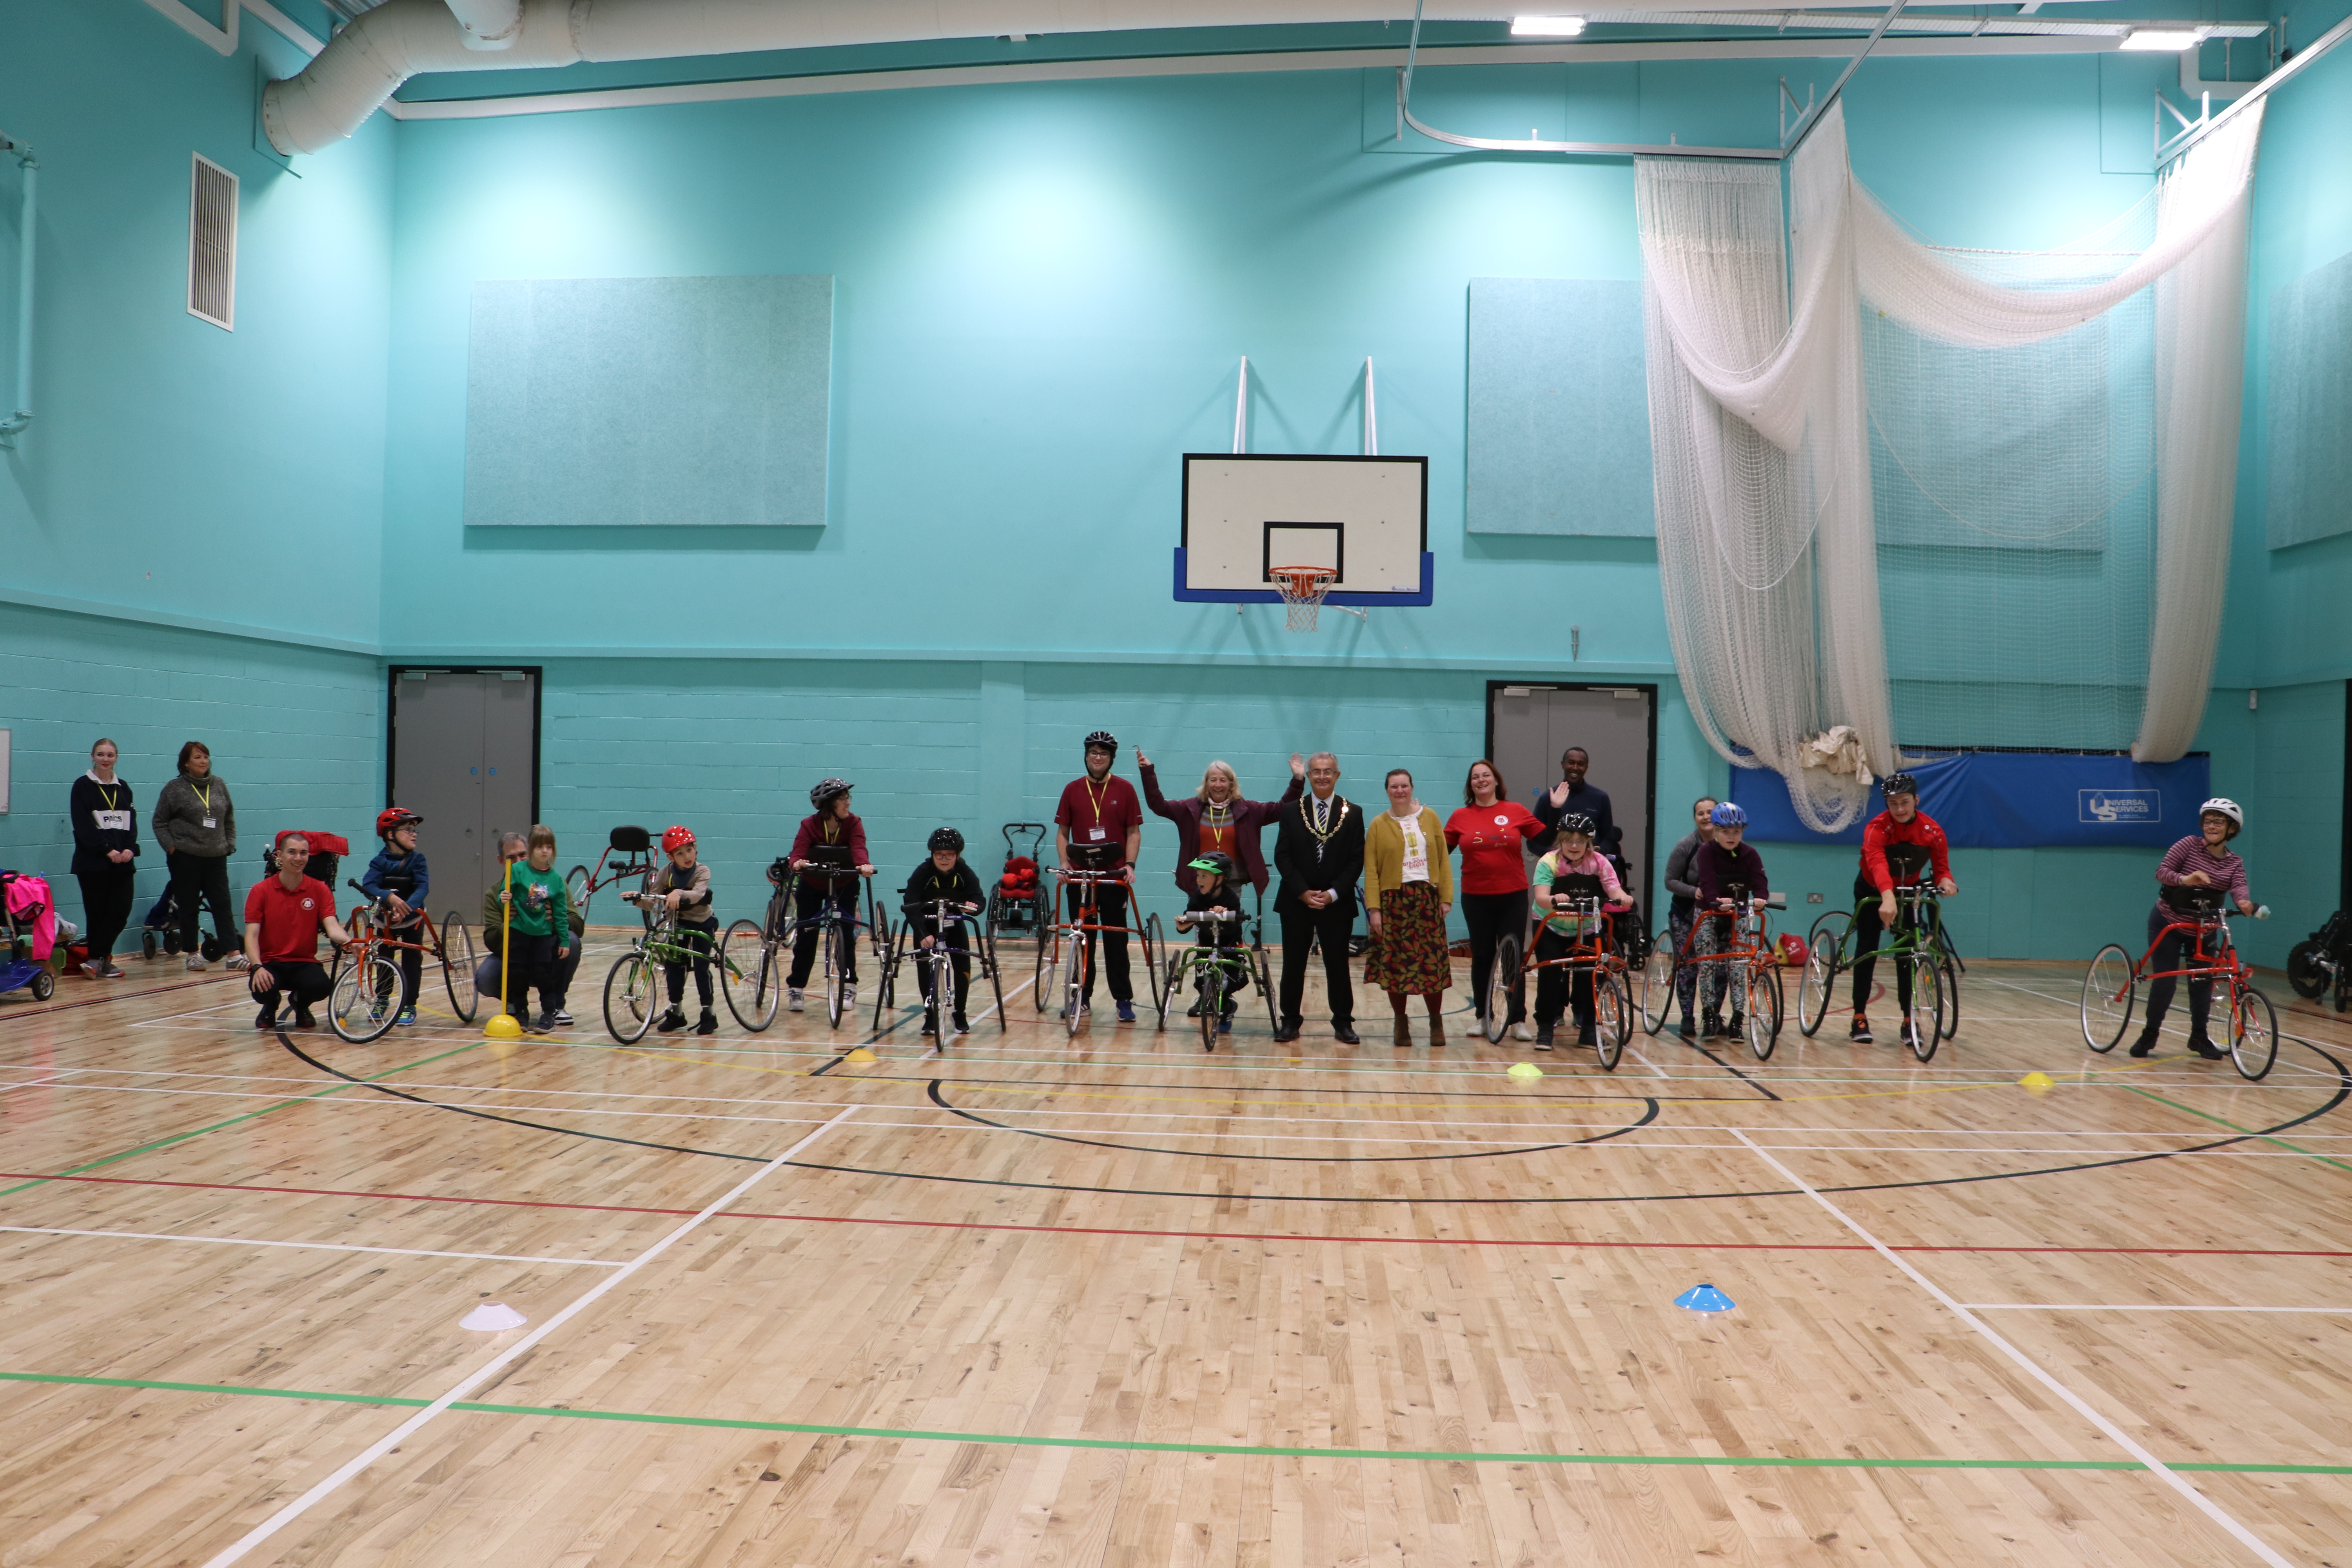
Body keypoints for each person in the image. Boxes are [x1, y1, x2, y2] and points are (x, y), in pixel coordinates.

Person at [2129, 798, 2256, 1060]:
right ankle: (2150, 1034)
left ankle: (2199, 1037)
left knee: (2202, 983)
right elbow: (2162, 871)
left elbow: (2239, 886)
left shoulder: (2234, 863)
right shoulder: (2188, 845)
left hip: (2203, 929)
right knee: (2165, 982)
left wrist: (2244, 902)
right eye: (2208, 821)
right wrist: (2185, 879)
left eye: (2218, 822)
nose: (2211, 826)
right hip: (2169, 921)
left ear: (2232, 829)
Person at [1848, 772, 1957, 1047]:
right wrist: (1887, 897)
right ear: (1886, 804)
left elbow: (1941, 868)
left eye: (1905, 802)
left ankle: (1909, 1019)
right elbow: (1877, 863)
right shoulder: (1876, 828)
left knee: (1907, 954)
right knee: (1867, 948)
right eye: (1893, 803)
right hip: (1873, 889)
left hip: (1908, 891)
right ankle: (1859, 1015)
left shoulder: (1933, 831)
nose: (1899, 809)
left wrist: (1946, 881)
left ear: (1916, 800)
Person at [1446, 759, 1545, 1042]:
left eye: (1486, 775)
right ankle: (1483, 1017)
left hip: (1513, 896)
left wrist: (1555, 808)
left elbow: (1544, 839)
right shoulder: (1460, 816)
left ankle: (1518, 1020)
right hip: (1476, 898)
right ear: (1471, 785)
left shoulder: (1515, 811)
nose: (1481, 780)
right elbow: (1440, 852)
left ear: (1496, 780)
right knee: (1482, 957)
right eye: (1475, 777)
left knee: (1513, 957)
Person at [1272, 751, 1364, 1044]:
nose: (1322, 776)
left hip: (1336, 903)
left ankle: (1343, 1023)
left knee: (1338, 966)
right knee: (1293, 965)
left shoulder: (1354, 812)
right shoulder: (1290, 810)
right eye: (1316, 771)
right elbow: (1282, 856)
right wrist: (1302, 891)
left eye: (1328, 771)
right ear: (1309, 776)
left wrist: (1334, 893)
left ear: (1337, 776)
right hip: (1296, 901)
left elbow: (1356, 860)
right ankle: (1290, 1021)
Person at [1054, 731, 1145, 1022]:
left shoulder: (1125, 789)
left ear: (1111, 759)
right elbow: (1063, 832)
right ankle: (1081, 997)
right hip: (1080, 877)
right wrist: (1064, 863)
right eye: (1093, 752)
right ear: (1086, 756)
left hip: (1113, 877)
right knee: (1082, 939)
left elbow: (1133, 832)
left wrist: (1130, 865)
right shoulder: (1072, 789)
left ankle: (1123, 1000)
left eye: (1103, 754)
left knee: (1116, 940)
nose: (1098, 757)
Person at [1364, 768, 1455, 1047]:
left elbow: (1443, 860)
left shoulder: (1430, 817)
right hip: (1394, 902)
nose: (1400, 791)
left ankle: (1436, 1022)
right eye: (1394, 787)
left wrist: (1445, 897)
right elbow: (1372, 871)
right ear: (1387, 791)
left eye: (1404, 786)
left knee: (1432, 965)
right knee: (1396, 966)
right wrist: (1375, 910)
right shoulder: (1378, 825)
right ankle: (1401, 1023)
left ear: (1412, 788)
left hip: (1427, 899)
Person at [1137, 749, 1303, 898]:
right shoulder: (1189, 809)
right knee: (1201, 922)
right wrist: (1148, 772)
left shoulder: (1248, 811)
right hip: (1200, 882)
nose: (1218, 785)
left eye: (1223, 780)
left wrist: (1297, 780)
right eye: (1213, 780)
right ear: (1207, 784)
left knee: (1229, 923)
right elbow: (1158, 805)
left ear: (1231, 784)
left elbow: (1281, 809)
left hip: (1232, 883)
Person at [1530, 813, 1633, 1049]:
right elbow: (1541, 897)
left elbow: (1613, 889)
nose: (1574, 846)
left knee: (1591, 976)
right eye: (1568, 840)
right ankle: (1545, 1028)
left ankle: (1588, 1030)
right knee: (1550, 974)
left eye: (1580, 841)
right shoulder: (1549, 862)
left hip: (1587, 927)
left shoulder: (1599, 862)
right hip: (1552, 925)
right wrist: (1554, 898)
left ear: (1589, 842)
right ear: (1561, 841)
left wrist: (1623, 897)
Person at [152, 740, 245, 972]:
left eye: (206, 757)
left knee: (222, 905)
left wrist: (230, 844)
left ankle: (233, 955)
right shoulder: (174, 788)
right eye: (197, 757)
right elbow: (160, 822)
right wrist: (172, 848)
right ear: (186, 763)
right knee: (189, 907)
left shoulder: (219, 784)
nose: (204, 761)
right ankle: (193, 954)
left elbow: (229, 817)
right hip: (185, 857)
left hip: (216, 856)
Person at [243, 831, 352, 1030]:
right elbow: (252, 936)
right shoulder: (260, 891)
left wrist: (350, 943)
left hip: (304, 962)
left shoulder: (320, 889)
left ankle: (300, 1004)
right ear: (280, 855)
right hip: (271, 962)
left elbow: (333, 928)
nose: (298, 858)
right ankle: (271, 1005)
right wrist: (257, 967)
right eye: (292, 852)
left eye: (304, 853)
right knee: (262, 989)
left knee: (322, 987)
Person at [784, 779, 876, 1011]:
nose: (848, 803)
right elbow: (798, 850)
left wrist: (863, 864)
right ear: (829, 804)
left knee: (846, 935)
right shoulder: (809, 825)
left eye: (848, 798)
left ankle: (849, 986)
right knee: (807, 936)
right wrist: (797, 863)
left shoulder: (854, 822)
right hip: (813, 883)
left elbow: (859, 847)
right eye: (843, 799)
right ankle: (796, 987)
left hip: (844, 883)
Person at [1691, 801, 1769, 1039]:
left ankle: (1738, 1017)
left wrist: (1761, 898)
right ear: (1716, 831)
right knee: (1707, 965)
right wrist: (1716, 900)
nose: (1731, 837)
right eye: (1726, 832)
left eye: (1736, 832)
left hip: (1738, 913)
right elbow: (1706, 882)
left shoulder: (1750, 854)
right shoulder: (1706, 852)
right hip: (1710, 913)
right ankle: (1709, 1015)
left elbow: (1760, 882)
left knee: (1737, 967)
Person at [902, 827, 985, 1036]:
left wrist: (973, 907)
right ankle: (930, 1014)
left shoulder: (965, 872)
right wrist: (922, 934)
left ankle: (960, 1012)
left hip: (953, 922)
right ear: (932, 854)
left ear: (957, 855)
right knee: (924, 964)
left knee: (963, 962)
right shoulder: (922, 872)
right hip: (927, 924)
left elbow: (979, 899)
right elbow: (910, 903)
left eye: (950, 855)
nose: (944, 859)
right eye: (939, 854)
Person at [69, 738, 140, 979]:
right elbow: (83, 825)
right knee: (97, 914)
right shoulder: (82, 786)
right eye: (101, 755)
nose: (105, 759)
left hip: (123, 863)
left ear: (116, 758)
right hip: (93, 863)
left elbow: (131, 822)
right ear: (93, 757)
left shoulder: (124, 788)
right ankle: (100, 960)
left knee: (121, 911)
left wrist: (130, 849)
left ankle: (97, 959)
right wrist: (107, 850)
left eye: (110, 755)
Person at [496, 825, 573, 1030]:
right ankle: (521, 1012)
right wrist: (503, 899)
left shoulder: (556, 880)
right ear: (531, 849)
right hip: (519, 930)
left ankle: (549, 1013)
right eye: (539, 847)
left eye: (549, 847)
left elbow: (561, 914)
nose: (544, 851)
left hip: (542, 934)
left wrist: (564, 940)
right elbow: (502, 896)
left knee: (542, 973)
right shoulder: (517, 870)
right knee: (518, 972)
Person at [359, 807, 430, 1025]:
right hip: (386, 919)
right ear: (391, 835)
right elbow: (369, 885)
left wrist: (406, 907)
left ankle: (409, 1005)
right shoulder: (379, 862)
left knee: (412, 960)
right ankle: (382, 1000)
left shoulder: (418, 860)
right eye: (408, 830)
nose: (414, 834)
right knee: (384, 959)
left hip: (412, 918)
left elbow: (422, 888)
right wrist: (390, 898)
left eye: (414, 830)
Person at [648, 825, 718, 1036]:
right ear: (671, 858)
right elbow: (653, 900)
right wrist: (637, 898)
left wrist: (678, 892)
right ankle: (676, 1013)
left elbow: (698, 894)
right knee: (674, 966)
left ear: (696, 850)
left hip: (702, 923)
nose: (687, 856)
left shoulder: (703, 871)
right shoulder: (665, 873)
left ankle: (709, 1014)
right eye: (680, 853)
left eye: (690, 850)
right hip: (678, 924)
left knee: (701, 967)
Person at [1174, 851, 1251, 1034]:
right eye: (1198, 875)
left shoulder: (1230, 898)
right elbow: (1186, 924)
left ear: (1220, 879)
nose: (1199, 880)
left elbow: (1235, 924)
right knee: (1202, 982)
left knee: (1229, 983)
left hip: (1230, 945)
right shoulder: (1197, 898)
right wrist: (1182, 924)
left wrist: (1224, 912)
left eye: (1204, 876)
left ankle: (1228, 1007)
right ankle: (1214, 1003)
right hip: (1206, 946)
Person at [1660, 796, 1717, 1039]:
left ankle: (1713, 1015)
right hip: (1685, 913)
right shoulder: (1686, 845)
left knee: (1719, 967)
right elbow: (1669, 881)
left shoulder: (1730, 844)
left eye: (1710, 812)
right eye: (1700, 813)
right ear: (1695, 818)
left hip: (1717, 915)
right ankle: (1687, 1016)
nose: (1705, 817)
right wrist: (1694, 892)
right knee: (1688, 965)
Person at [1532, 746, 1616, 854]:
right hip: (1556, 863)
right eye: (1571, 763)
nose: (1575, 768)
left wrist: (1600, 852)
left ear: (1586, 768)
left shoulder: (1601, 798)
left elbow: (1608, 838)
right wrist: (1554, 855)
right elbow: (1533, 841)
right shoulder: (1548, 798)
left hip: (1591, 861)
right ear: (1563, 764)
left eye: (1580, 764)